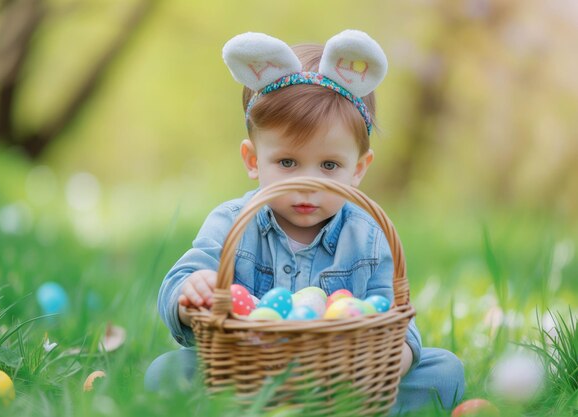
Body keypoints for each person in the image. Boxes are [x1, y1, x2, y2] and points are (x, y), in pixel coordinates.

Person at [146, 30, 464, 414]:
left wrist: (385, 365)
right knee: (164, 373)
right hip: (247, 374)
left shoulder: (368, 235)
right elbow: (180, 284)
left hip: (343, 380)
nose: (307, 185)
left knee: (444, 371)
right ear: (253, 160)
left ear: (358, 169)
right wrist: (190, 291)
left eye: (329, 166)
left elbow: (398, 318)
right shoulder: (232, 223)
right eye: (287, 163)